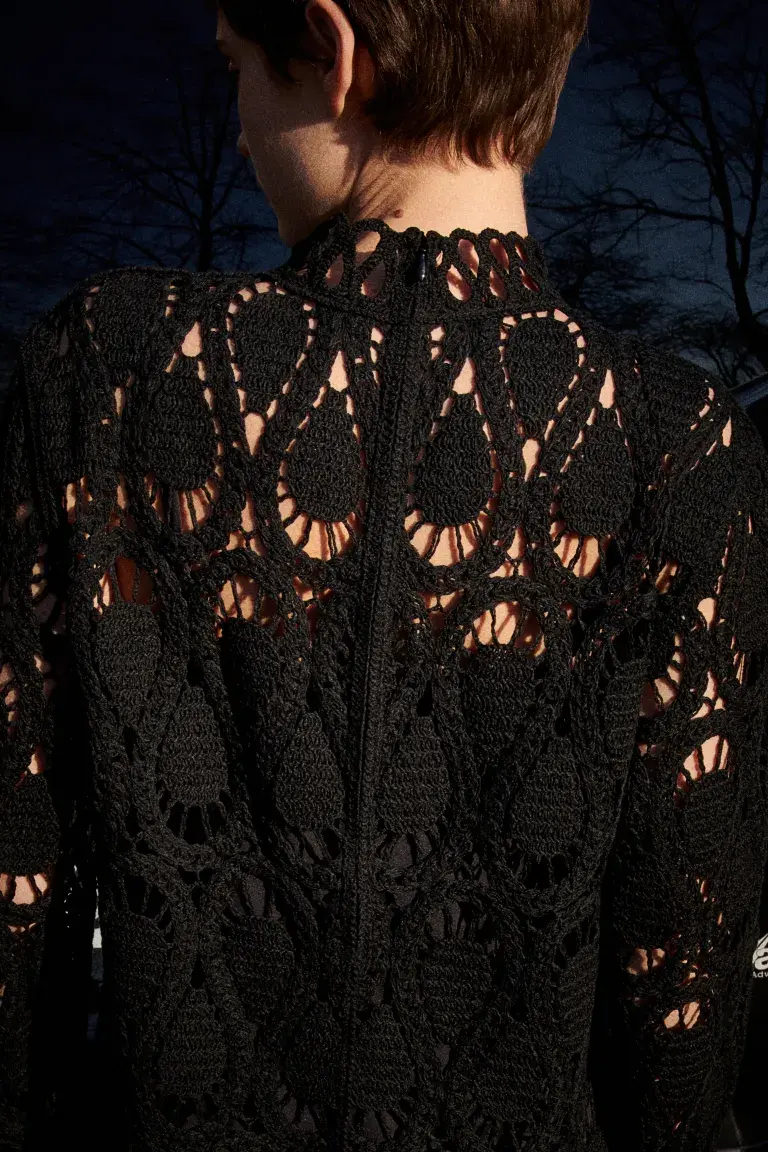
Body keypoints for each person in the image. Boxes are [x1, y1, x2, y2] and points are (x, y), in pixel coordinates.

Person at [1, 1, 767, 1149]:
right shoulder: (679, 444)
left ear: (336, 52)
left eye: (238, 70)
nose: (241, 127)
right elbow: (682, 976)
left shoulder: (108, 372)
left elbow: (14, 890)